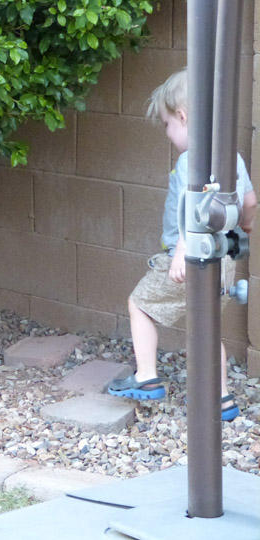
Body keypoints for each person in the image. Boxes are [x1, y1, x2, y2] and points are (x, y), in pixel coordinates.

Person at [108, 67, 258, 422]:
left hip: (191, 256)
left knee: (139, 304)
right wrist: (247, 225)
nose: (167, 133)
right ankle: (220, 399)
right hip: (224, 257)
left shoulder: (191, 159)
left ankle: (146, 376)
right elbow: (249, 202)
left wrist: (179, 253)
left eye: (167, 124)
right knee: (207, 326)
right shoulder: (230, 156)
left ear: (183, 116)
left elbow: (194, 210)